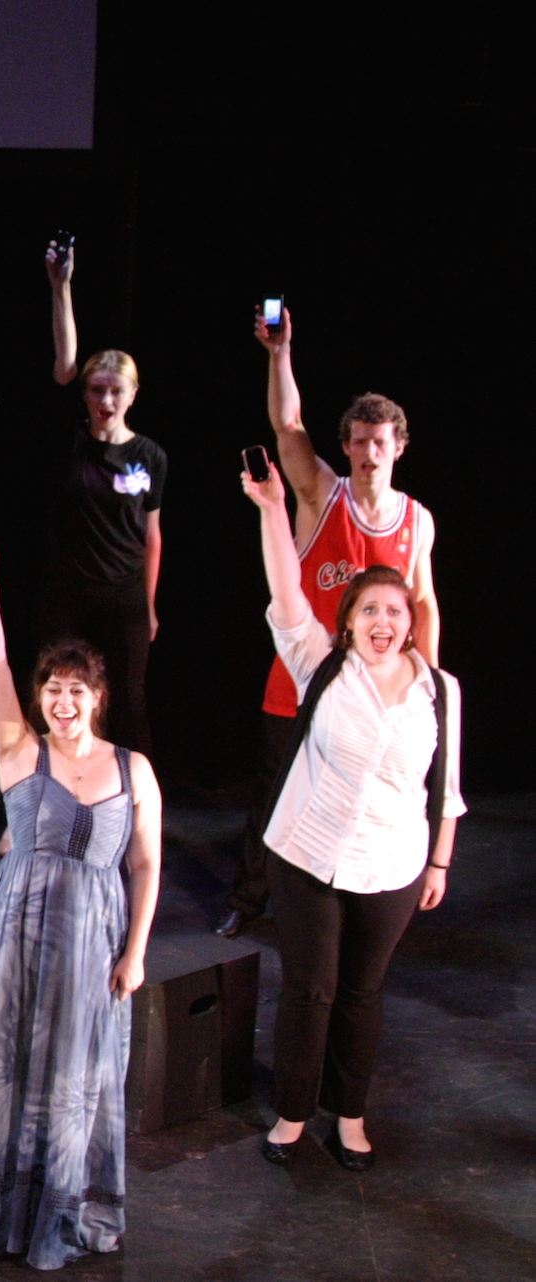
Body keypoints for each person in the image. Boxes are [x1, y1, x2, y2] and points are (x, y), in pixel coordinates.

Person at [0, 517, 160, 1271]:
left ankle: (60, 1214)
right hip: (19, 937)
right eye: (52, 690)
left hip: (94, 945)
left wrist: (136, 952)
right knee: (5, 1072)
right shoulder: (18, 752)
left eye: (76, 691)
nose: (63, 702)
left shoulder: (133, 770)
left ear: (97, 698)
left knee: (75, 1080)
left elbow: (146, 864)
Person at [243, 467, 461, 1173]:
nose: (382, 623)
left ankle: (350, 1114)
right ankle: (293, 1111)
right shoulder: (322, 665)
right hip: (307, 855)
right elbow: (286, 594)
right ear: (348, 622)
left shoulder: (441, 692)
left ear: (410, 622)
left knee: (361, 995)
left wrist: (439, 862)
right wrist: (273, 510)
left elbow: (447, 789)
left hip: (392, 864)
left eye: (394, 611)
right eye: (368, 611)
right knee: (310, 990)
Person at [218, 306, 438, 938]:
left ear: (398, 447)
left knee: (362, 800)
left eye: (380, 442)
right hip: (305, 676)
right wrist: (279, 352)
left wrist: (430, 677)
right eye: (359, 442)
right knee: (274, 792)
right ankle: (249, 900)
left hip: (377, 691)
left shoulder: (416, 521)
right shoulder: (321, 493)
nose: (370, 452)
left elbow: (424, 602)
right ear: (346, 447)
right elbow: (287, 425)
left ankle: (336, 909)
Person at [35, 238, 167, 752]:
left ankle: (134, 788)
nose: (105, 399)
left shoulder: (151, 455)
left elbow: (152, 537)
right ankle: (45, 783)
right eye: (97, 389)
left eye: (116, 390)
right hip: (67, 593)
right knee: (57, 691)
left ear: (133, 394)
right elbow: (65, 363)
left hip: (124, 596)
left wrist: (148, 606)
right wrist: (61, 286)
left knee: (128, 700)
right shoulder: (71, 442)